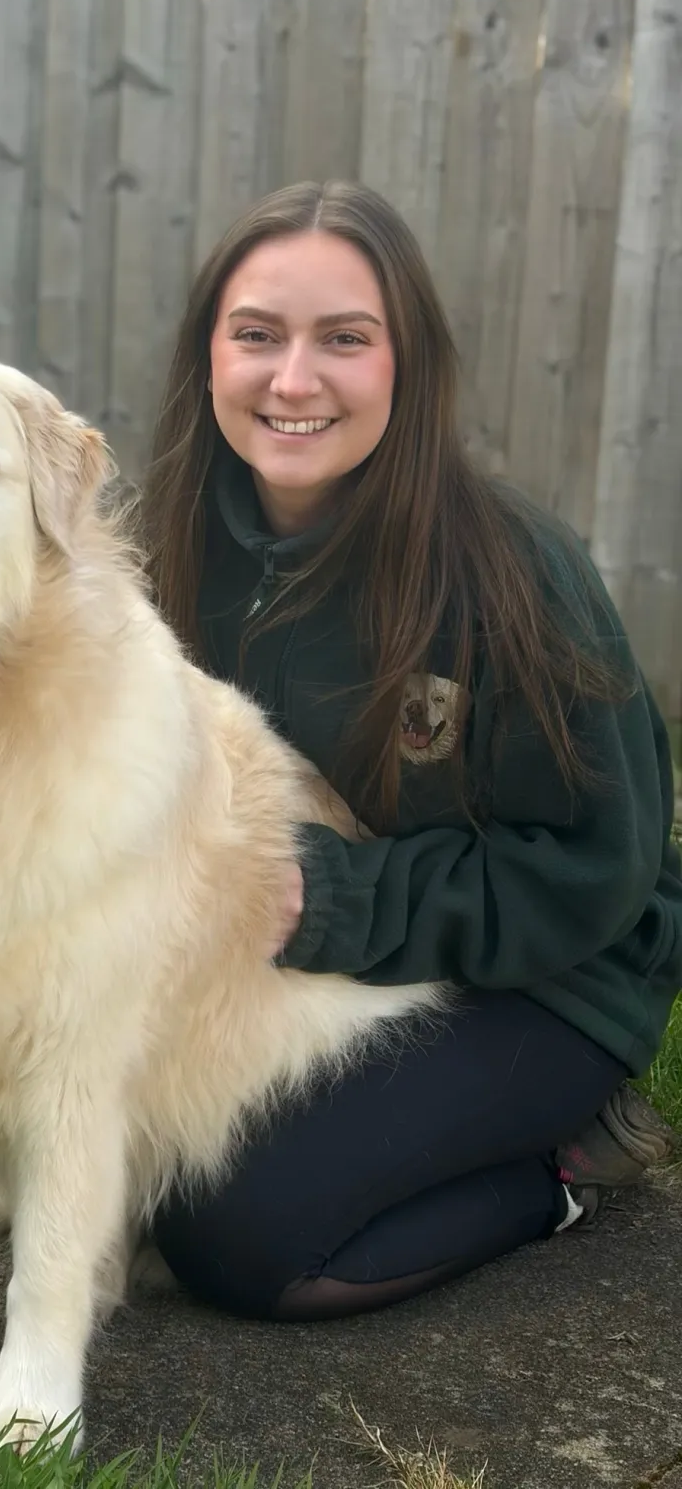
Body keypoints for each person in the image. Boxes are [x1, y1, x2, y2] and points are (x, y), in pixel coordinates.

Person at [138, 180, 682, 1321]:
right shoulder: (168, 540)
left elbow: (595, 871)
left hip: (545, 973)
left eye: (346, 338)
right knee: (119, 1150)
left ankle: (568, 1167)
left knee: (237, 1233)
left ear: (408, 364)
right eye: (257, 337)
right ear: (208, 358)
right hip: (313, 954)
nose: (294, 381)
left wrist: (326, 898)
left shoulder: (513, 575)